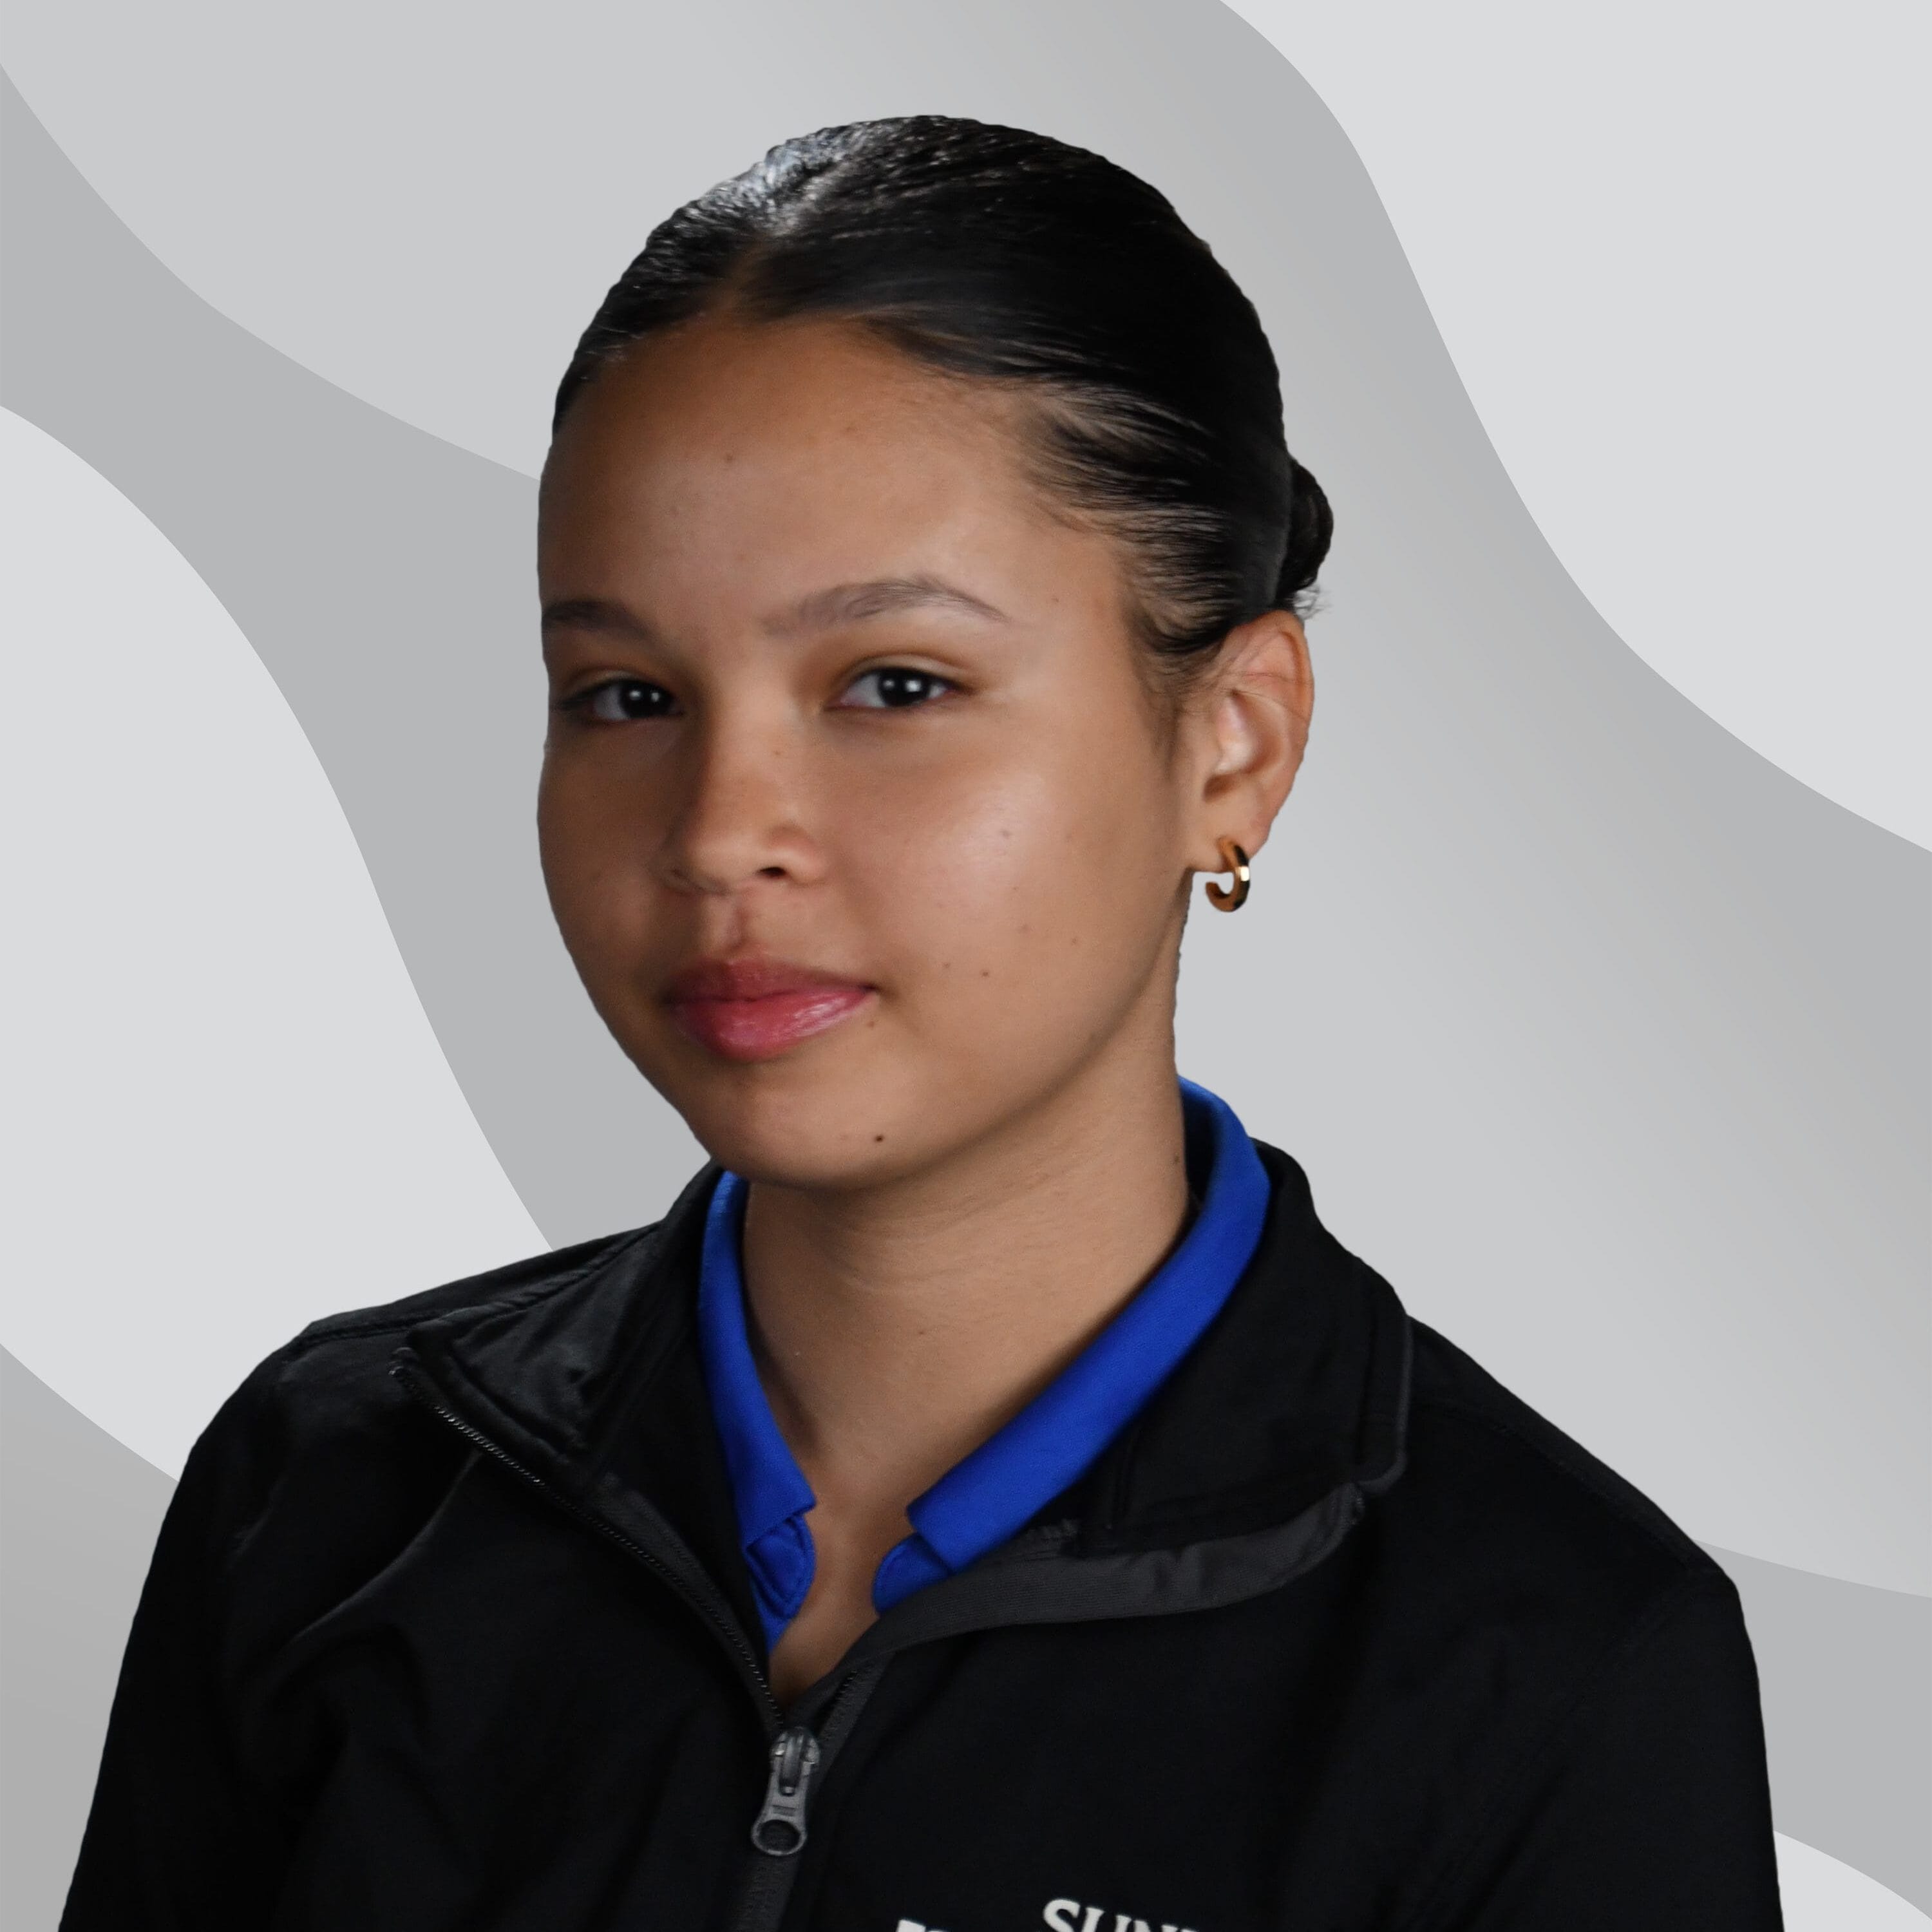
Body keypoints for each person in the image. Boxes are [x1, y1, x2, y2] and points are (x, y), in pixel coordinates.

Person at [62, 117, 1783, 1930]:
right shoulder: (326, 1499)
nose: (723, 829)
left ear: (1237, 741)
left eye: (896, 684)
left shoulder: (1555, 1661)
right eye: (627, 693)